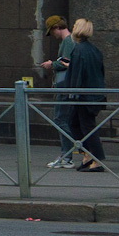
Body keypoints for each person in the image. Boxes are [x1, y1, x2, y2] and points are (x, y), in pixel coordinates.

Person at [64, 18, 107, 172]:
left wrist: (70, 93)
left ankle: (96, 158)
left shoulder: (79, 50)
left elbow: (77, 74)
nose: (73, 27)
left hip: (84, 95)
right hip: (94, 93)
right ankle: (88, 154)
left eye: (75, 25)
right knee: (74, 122)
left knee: (86, 126)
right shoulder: (94, 50)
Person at [39, 15, 77, 168]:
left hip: (64, 86)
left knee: (60, 119)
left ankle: (67, 155)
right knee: (63, 120)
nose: (53, 35)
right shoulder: (69, 41)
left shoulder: (68, 42)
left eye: (52, 31)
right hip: (65, 86)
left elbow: (66, 63)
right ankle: (68, 153)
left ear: (56, 27)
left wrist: (52, 64)